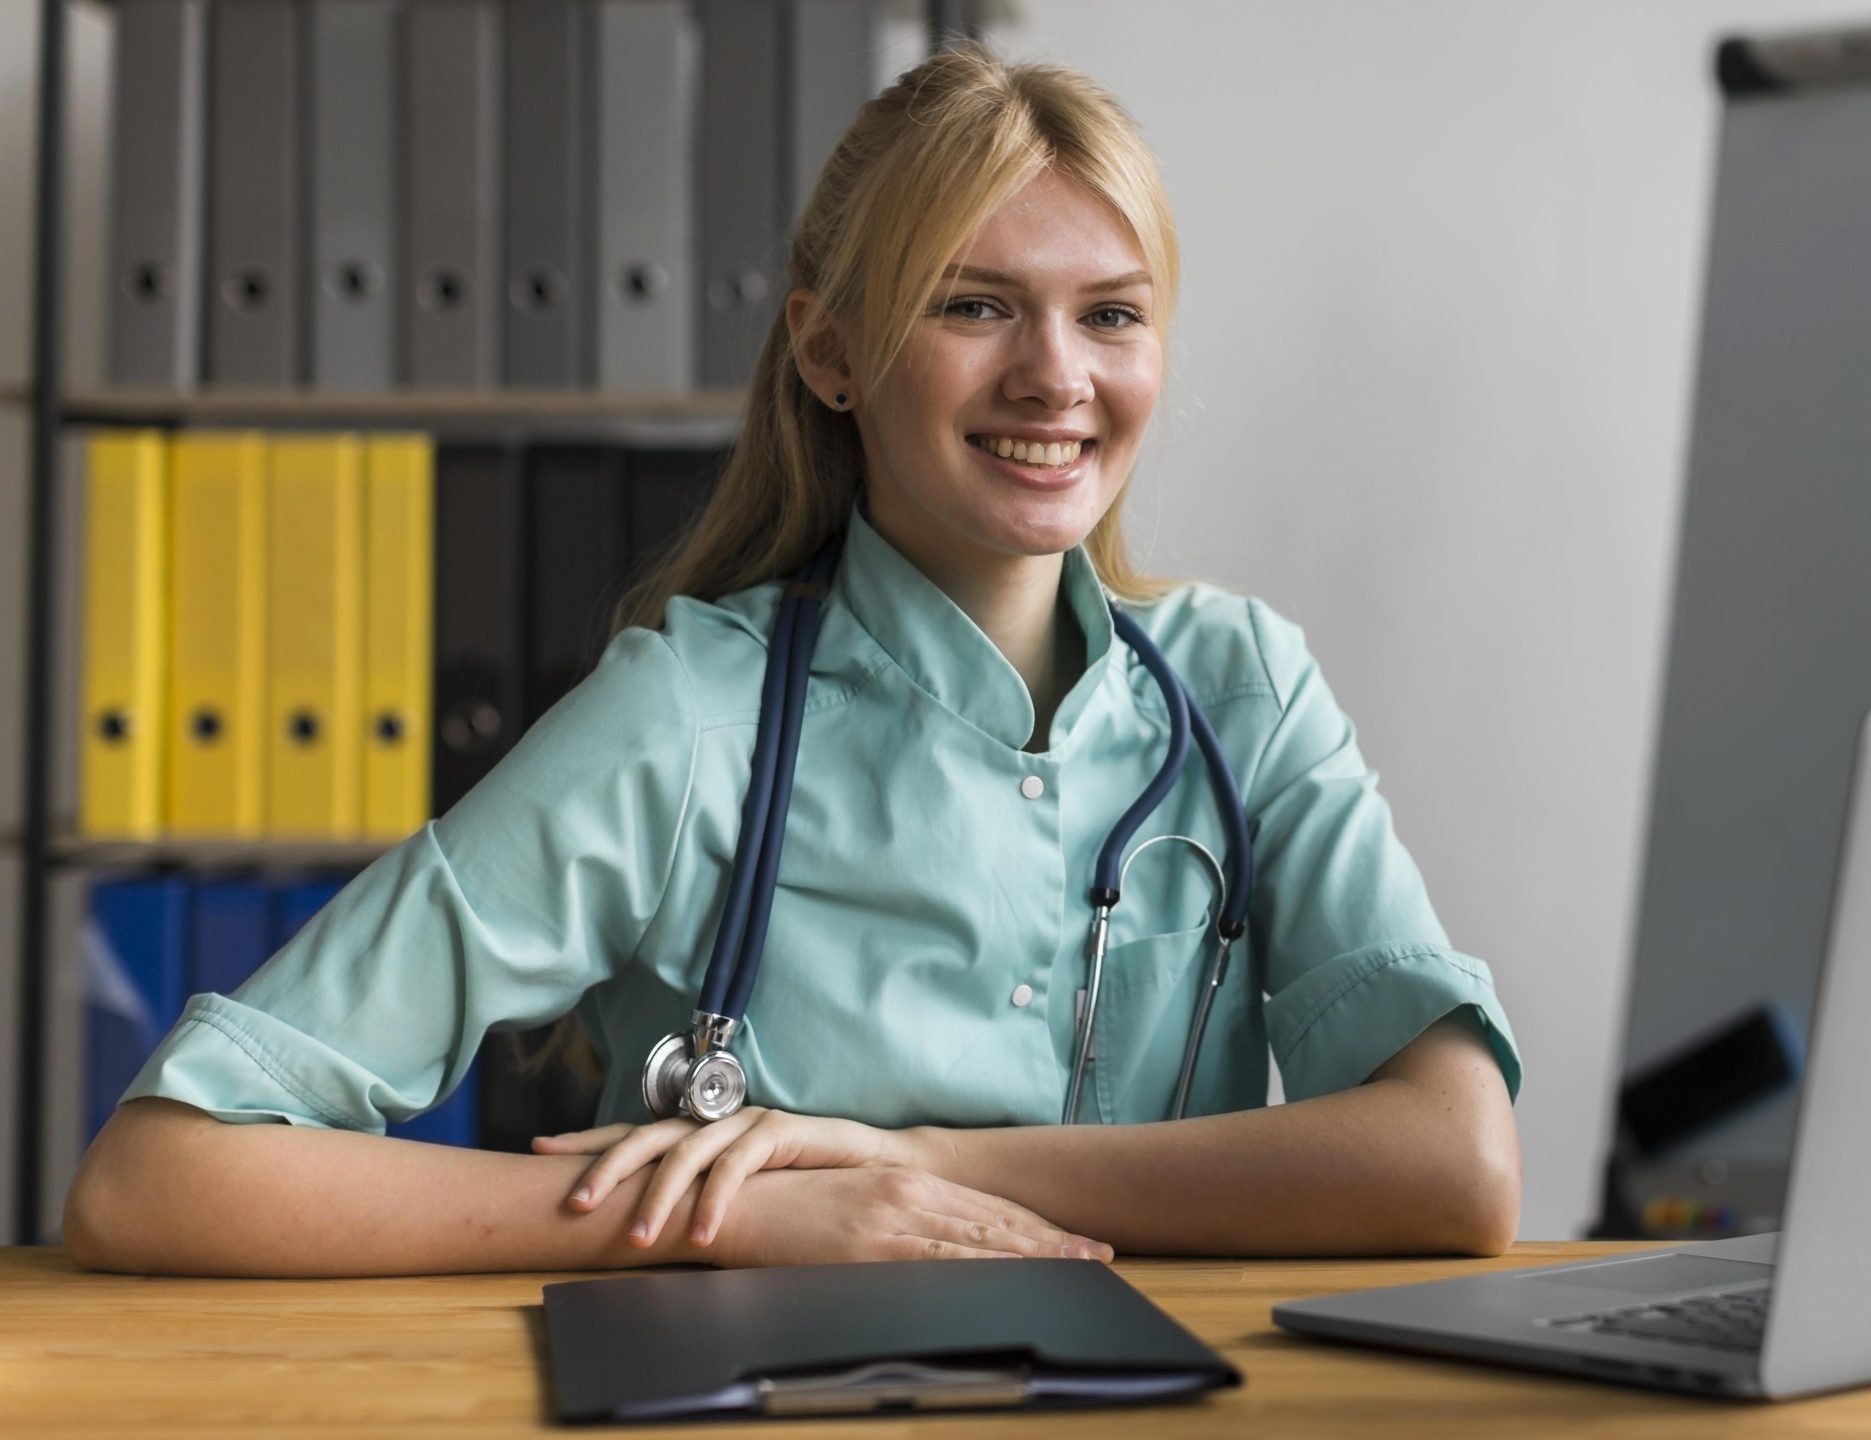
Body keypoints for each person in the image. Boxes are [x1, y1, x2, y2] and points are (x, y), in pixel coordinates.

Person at [63, 43, 1521, 1278]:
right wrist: (721, 1214)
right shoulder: (685, 719)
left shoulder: (1242, 691)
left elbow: (1455, 1166)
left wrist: (917, 1164)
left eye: (1113, 315)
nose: (1055, 376)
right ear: (831, 356)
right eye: (974, 304)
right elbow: (160, 1176)